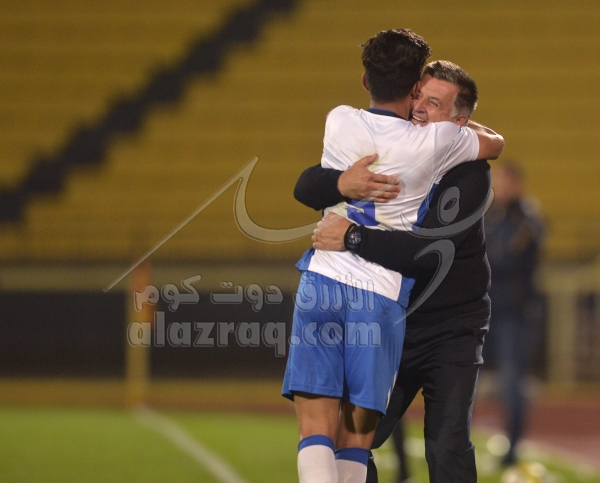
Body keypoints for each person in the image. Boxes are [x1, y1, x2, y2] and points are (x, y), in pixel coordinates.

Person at [283, 29, 504, 483]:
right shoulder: (424, 143)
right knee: (357, 437)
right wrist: (339, 184)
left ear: (459, 121)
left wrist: (351, 235)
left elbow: (431, 253)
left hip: (448, 326)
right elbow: (307, 185)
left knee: (444, 443)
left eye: (434, 104)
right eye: (419, 95)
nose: (420, 108)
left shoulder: (467, 174)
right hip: (389, 307)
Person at [483, 163, 544, 467]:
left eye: (506, 181)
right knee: (466, 378)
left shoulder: (527, 217)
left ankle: (512, 450)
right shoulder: (490, 214)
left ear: (518, 184)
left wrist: (489, 253)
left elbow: (506, 258)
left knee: (511, 382)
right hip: (486, 310)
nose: (500, 187)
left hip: (515, 313)